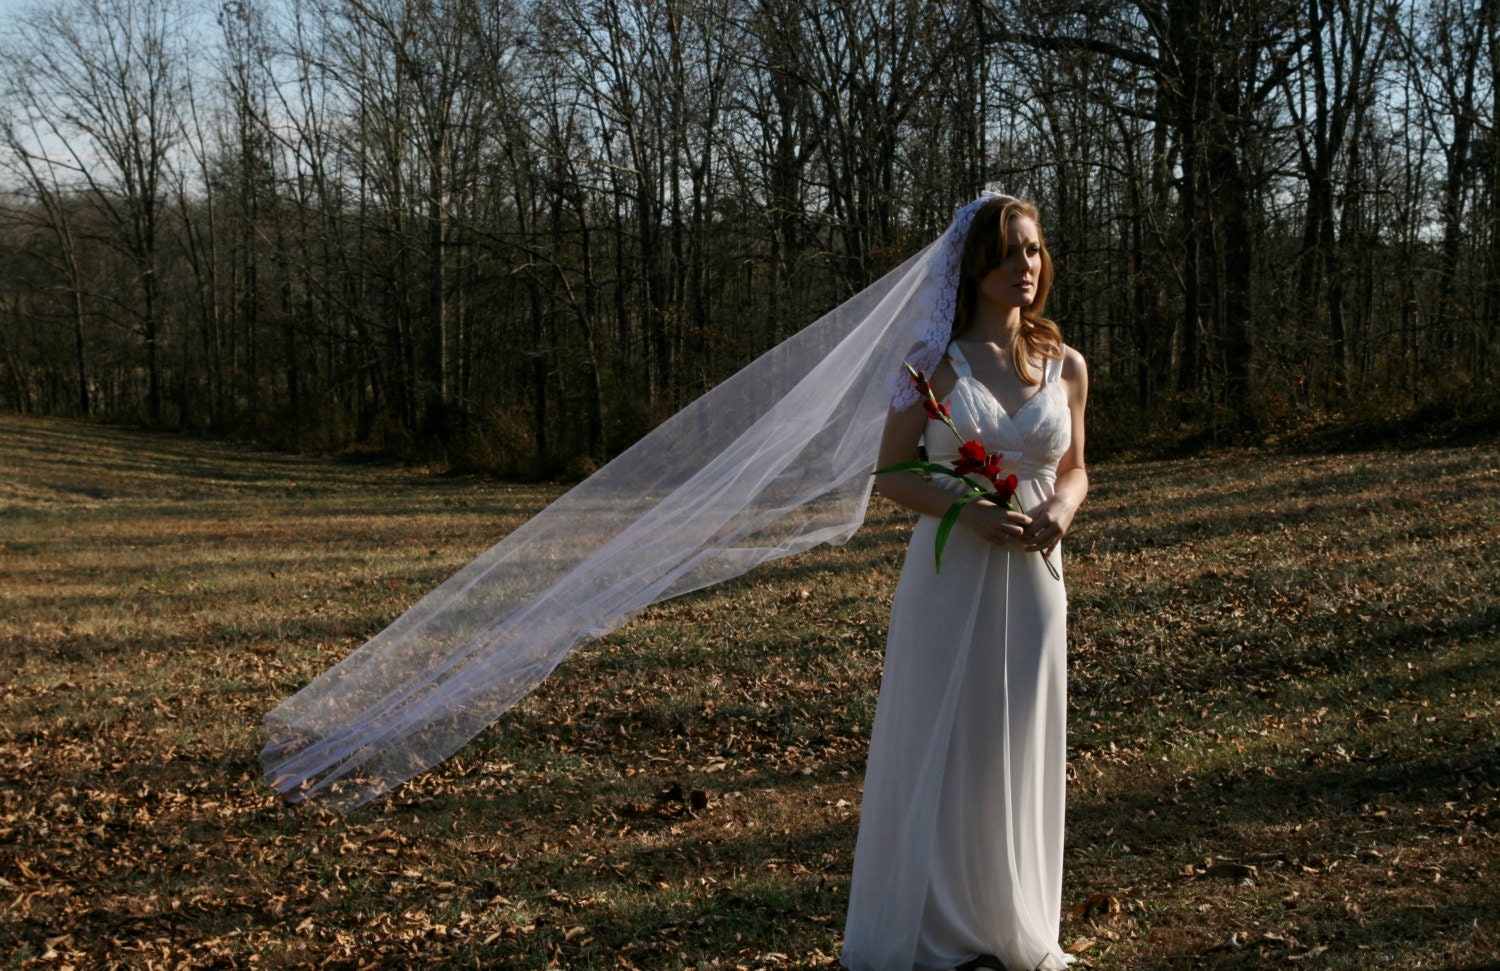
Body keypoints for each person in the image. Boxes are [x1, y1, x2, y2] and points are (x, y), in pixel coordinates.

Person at [842, 196, 1089, 971]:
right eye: (1012, 251)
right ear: (976, 264)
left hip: (1038, 579)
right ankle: (937, 930)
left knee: (1017, 743)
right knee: (946, 746)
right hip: (951, 573)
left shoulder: (1067, 364)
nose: (1027, 266)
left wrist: (1062, 507)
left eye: (1036, 251)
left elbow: (1077, 467)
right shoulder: (933, 363)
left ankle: (1011, 921)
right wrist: (970, 512)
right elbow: (889, 474)